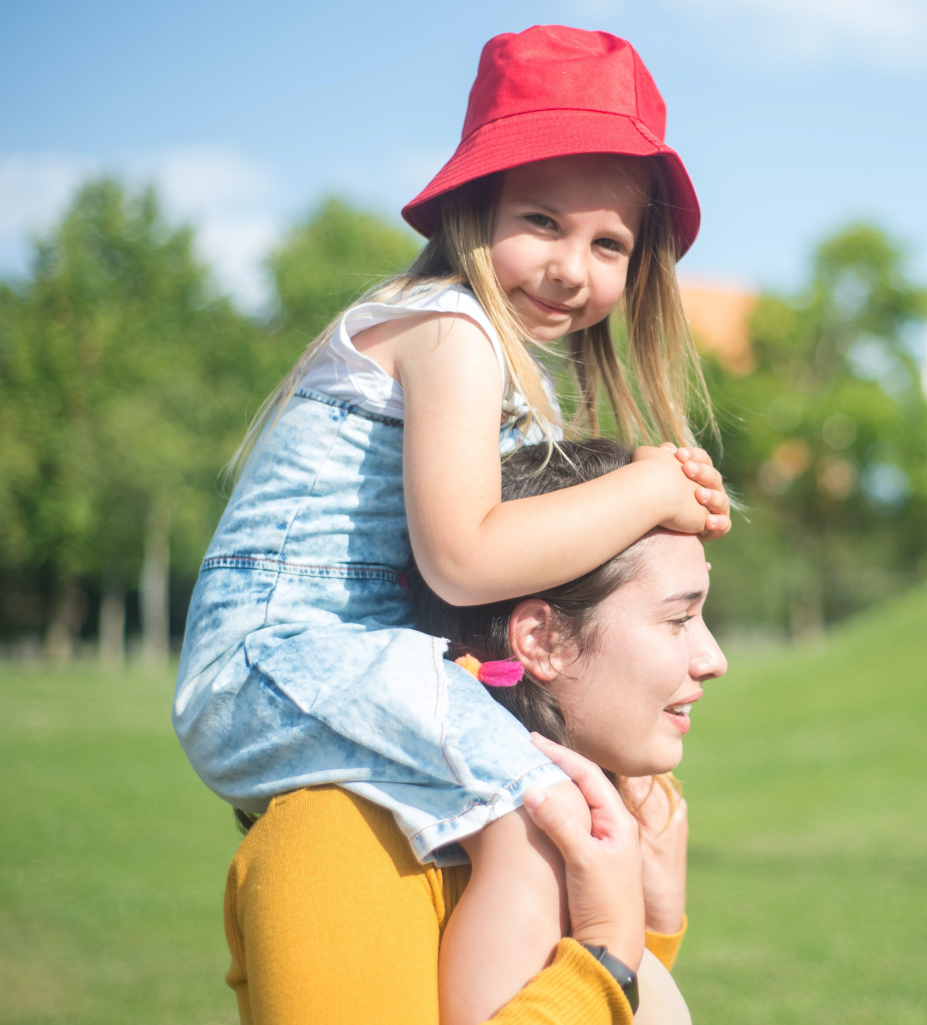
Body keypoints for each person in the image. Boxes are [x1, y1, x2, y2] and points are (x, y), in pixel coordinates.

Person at [175, 25, 731, 1022]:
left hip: (340, 655)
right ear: (474, 209)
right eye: (541, 221)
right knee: (533, 816)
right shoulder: (449, 328)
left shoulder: (500, 369)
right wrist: (646, 489)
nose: (571, 267)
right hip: (283, 653)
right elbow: (466, 557)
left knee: (551, 814)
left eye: (608, 243)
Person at [223, 440, 725, 1024]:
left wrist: (652, 933)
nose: (713, 658)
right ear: (541, 640)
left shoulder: (590, 847)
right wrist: (606, 954)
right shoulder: (338, 839)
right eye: (679, 619)